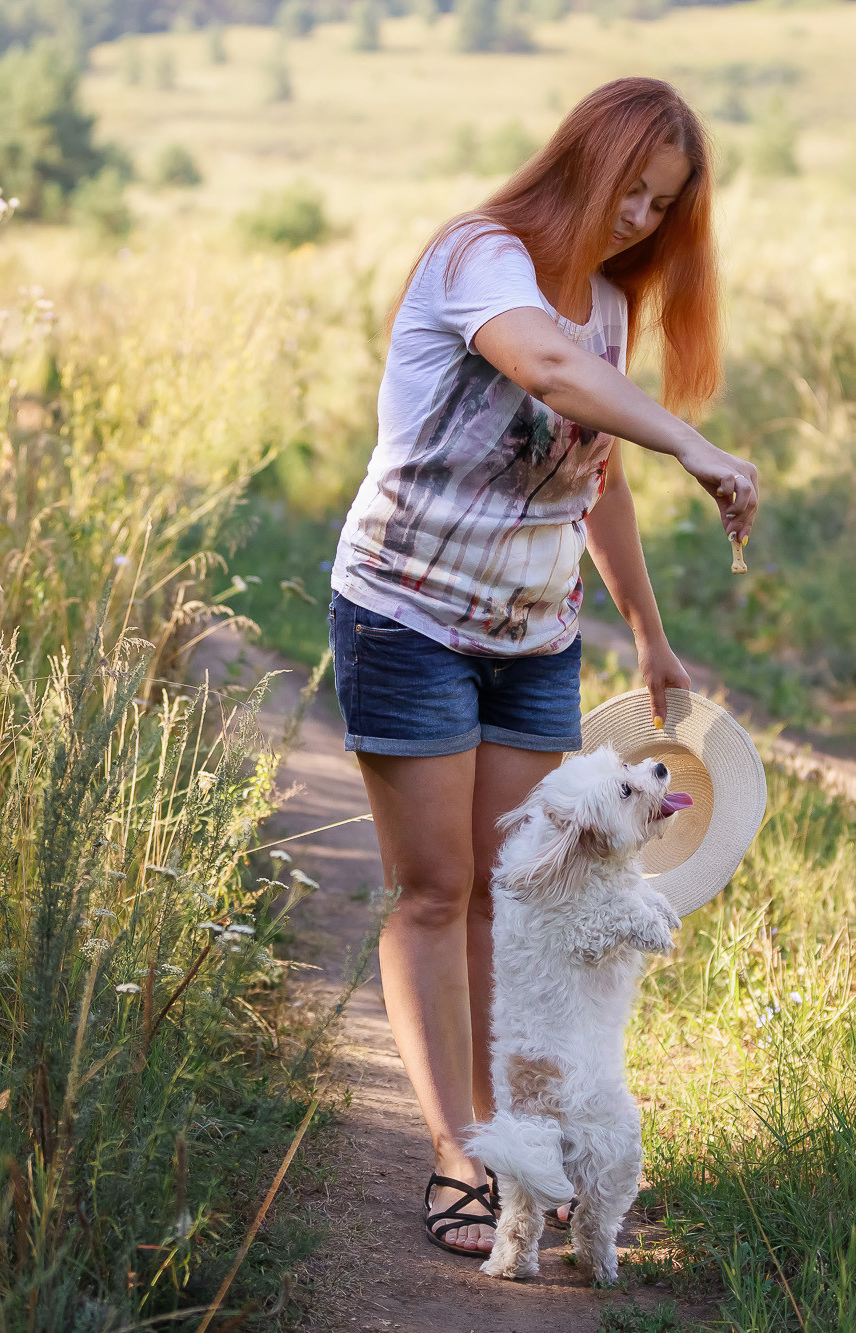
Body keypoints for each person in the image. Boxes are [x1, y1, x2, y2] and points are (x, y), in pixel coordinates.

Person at [325, 76, 758, 1255]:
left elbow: (592, 482)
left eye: (661, 209)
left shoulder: (612, 306)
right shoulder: (481, 258)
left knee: (511, 894)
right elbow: (552, 377)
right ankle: (456, 1151)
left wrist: (648, 630)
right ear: (580, 161)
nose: (637, 224)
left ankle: (517, 1139)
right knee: (434, 886)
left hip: (531, 638)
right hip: (406, 616)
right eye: (629, 192)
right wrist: (694, 442)